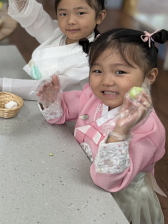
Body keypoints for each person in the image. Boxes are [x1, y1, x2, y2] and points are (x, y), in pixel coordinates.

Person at [36, 28, 168, 224]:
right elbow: (60, 113)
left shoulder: (147, 128)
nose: (106, 81)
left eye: (120, 71)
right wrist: (51, 98)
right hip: (80, 179)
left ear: (149, 76)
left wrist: (121, 131)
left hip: (117, 200)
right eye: (97, 70)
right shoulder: (92, 96)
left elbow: (108, 182)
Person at [0, 0, 107, 100]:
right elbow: (37, 21)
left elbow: (48, 88)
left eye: (80, 13)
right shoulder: (60, 34)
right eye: (63, 14)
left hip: (64, 110)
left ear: (99, 16)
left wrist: (1, 85)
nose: (70, 21)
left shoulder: (92, 59)